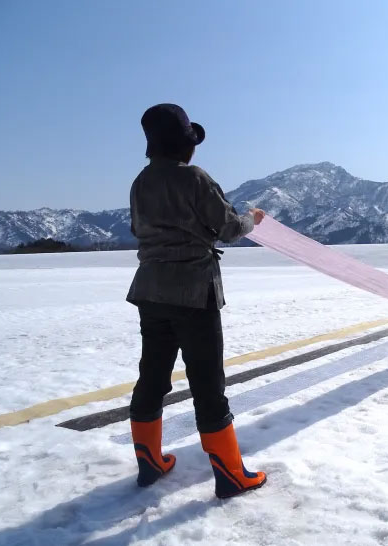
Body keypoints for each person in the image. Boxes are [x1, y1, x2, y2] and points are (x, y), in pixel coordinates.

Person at [126, 103, 267, 498]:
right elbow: (226, 228)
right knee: (207, 383)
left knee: (152, 375)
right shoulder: (194, 179)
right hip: (193, 293)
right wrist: (252, 219)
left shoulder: (140, 182)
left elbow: (138, 228)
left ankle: (149, 463)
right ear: (185, 145)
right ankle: (231, 476)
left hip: (149, 290)